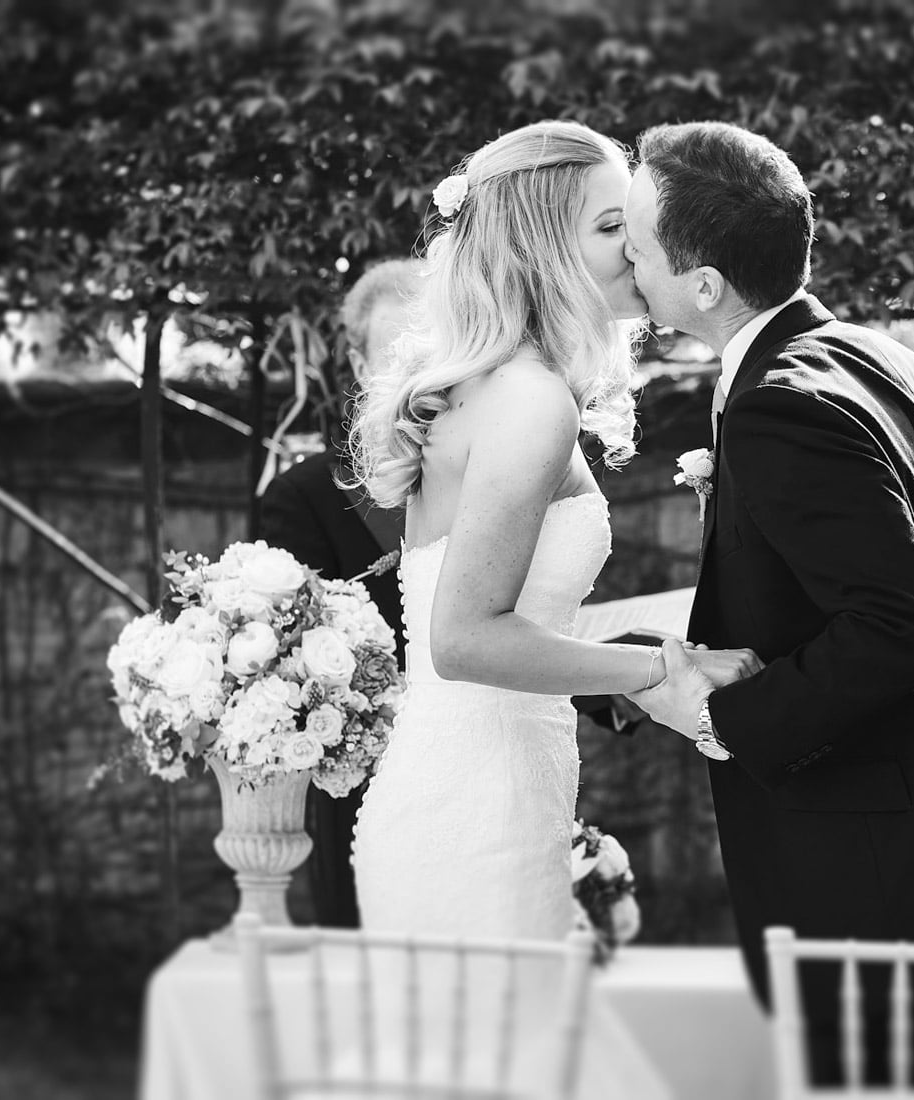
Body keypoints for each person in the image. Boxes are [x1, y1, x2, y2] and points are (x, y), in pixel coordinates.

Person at [623, 121, 914, 1086]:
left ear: (704, 284)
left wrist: (721, 716)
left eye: (640, 248)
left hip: (880, 876)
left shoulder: (780, 403)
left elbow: (904, 622)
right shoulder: (892, 362)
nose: (628, 268)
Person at [344, 120, 760, 943]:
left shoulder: (495, 387)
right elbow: (464, 640)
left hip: (481, 787)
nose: (638, 246)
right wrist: (663, 668)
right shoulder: (529, 401)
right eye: (611, 227)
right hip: (475, 814)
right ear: (542, 248)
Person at [257, 257, 423, 927]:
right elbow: (302, 675)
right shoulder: (303, 499)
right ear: (359, 365)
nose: (419, 374)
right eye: (398, 355)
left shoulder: (498, 475)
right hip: (369, 798)